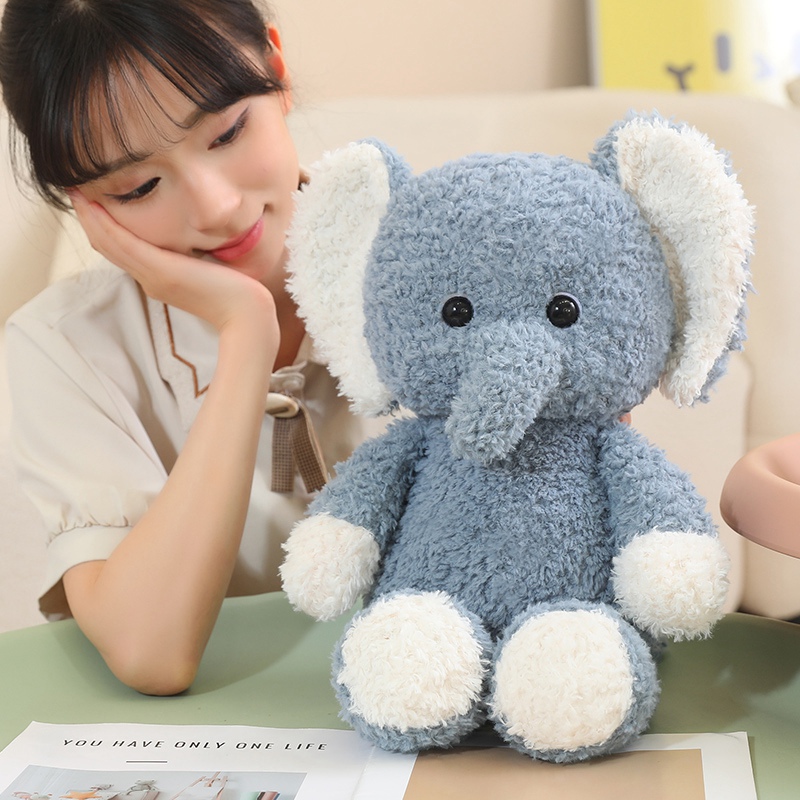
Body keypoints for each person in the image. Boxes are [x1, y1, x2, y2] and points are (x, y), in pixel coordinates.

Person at [0, 0, 374, 695]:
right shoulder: (64, 348)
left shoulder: (445, 255)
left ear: (276, 69)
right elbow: (151, 653)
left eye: (227, 132)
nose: (216, 208)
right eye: (139, 186)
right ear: (83, 202)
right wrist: (245, 335)